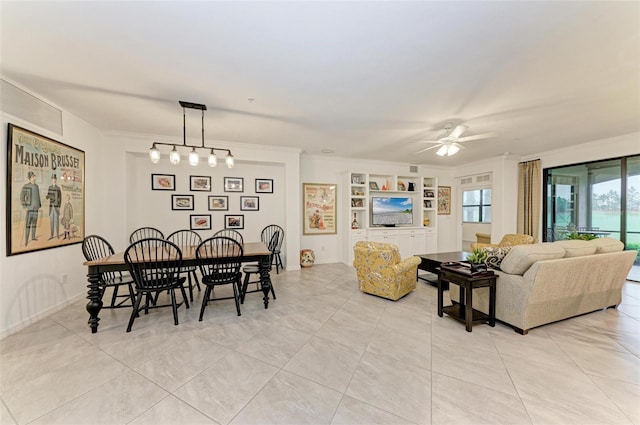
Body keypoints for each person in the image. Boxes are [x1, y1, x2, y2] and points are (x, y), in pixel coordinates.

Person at [20, 171, 41, 246]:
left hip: (36, 209)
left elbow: (38, 197)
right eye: (32, 176)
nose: (34, 178)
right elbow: (22, 197)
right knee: (28, 225)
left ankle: (33, 237)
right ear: (29, 178)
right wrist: (24, 206)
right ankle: (26, 240)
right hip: (29, 209)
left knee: (34, 224)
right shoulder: (26, 186)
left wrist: (39, 206)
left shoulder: (37, 186)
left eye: (34, 176)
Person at [45, 174, 62, 240]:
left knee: (56, 221)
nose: (54, 180)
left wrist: (59, 206)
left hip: (56, 207)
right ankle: (52, 235)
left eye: (55, 179)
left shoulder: (58, 188)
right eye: (53, 179)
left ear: (56, 180)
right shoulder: (50, 187)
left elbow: (60, 198)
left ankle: (57, 234)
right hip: (51, 207)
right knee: (51, 221)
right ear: (51, 180)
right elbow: (48, 195)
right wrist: (46, 197)